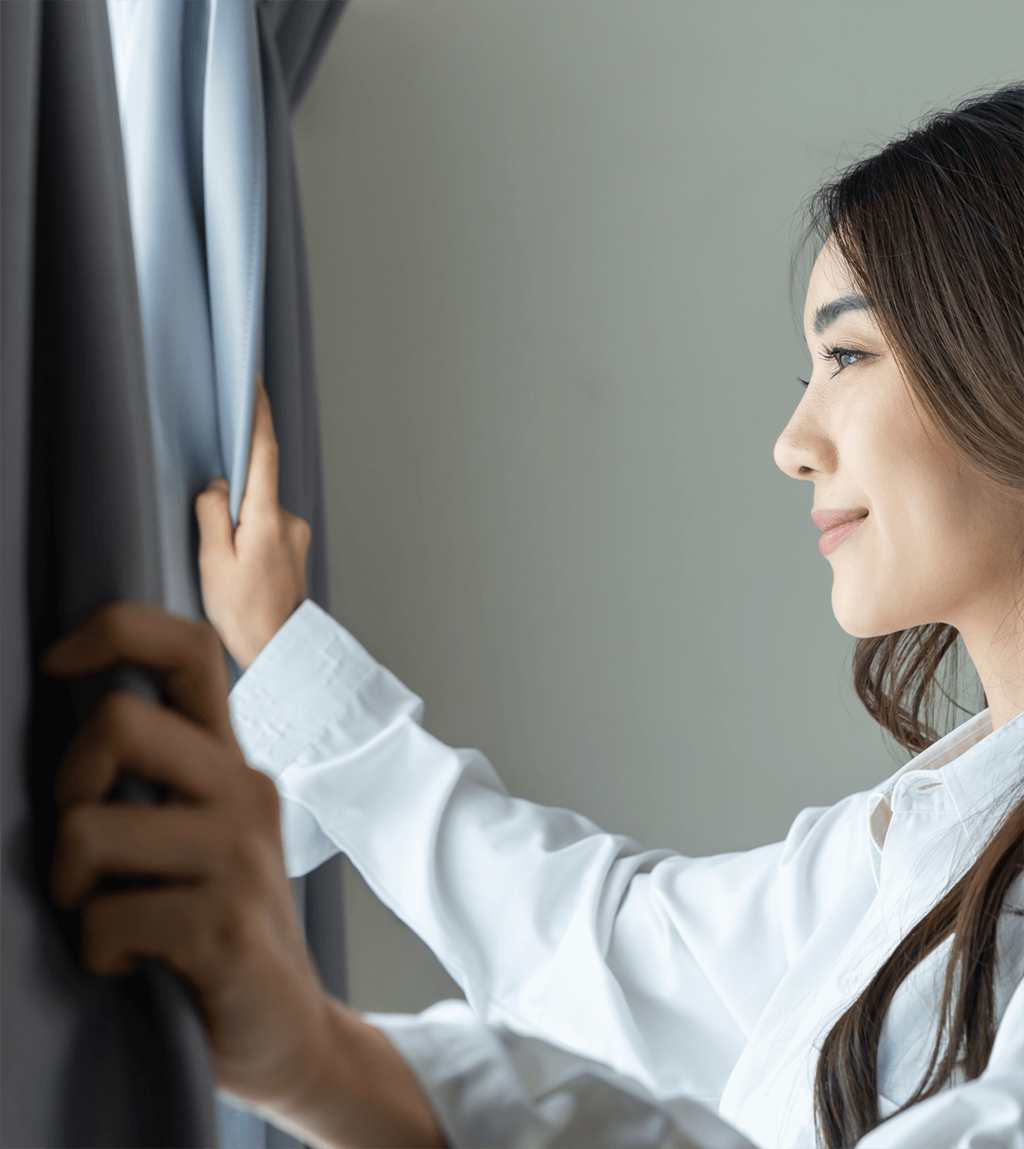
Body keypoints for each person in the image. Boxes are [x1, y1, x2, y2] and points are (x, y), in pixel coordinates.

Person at [46, 85, 1023, 1148]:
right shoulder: (932, 839)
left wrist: (325, 1062)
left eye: (845, 356)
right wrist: (289, 658)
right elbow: (602, 951)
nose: (792, 442)